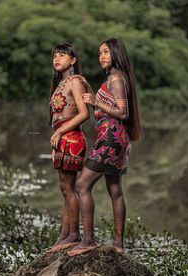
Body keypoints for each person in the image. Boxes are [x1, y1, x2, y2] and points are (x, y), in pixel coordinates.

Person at [68, 38, 141, 256]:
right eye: (100, 53)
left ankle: (88, 240)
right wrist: (91, 92)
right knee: (115, 189)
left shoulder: (117, 79)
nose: (102, 56)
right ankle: (118, 245)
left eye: (106, 52)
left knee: (81, 185)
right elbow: (107, 102)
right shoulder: (115, 78)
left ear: (116, 54)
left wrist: (95, 102)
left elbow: (122, 112)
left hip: (110, 140)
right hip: (118, 140)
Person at [48, 43, 89, 253]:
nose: (57, 58)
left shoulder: (74, 82)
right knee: (65, 189)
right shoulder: (61, 82)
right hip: (63, 138)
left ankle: (74, 235)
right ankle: (65, 235)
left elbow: (84, 113)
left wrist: (59, 132)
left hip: (72, 138)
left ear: (73, 60)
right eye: (55, 55)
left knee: (69, 188)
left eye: (62, 55)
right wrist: (57, 135)